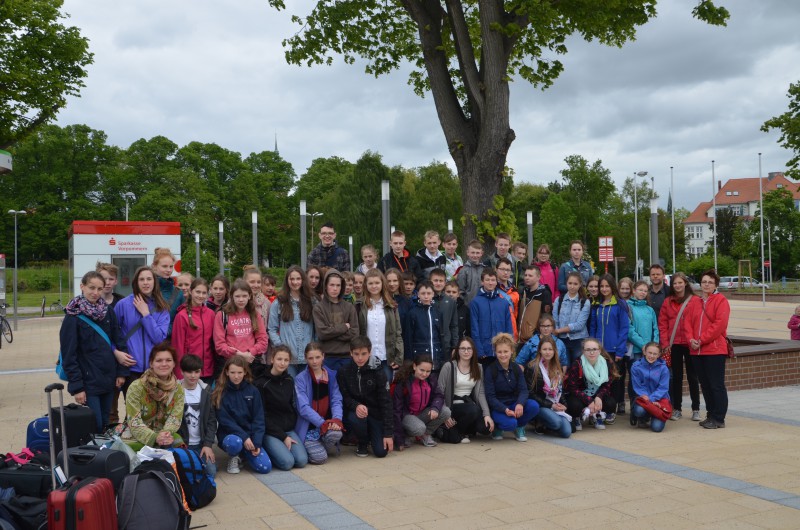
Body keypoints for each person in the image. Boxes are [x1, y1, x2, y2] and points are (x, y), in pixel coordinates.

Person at [60, 271, 128, 431]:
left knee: (106, 422)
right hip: (88, 382)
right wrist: (77, 387)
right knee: (94, 424)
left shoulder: (107, 311)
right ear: (82, 286)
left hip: (108, 379)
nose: (95, 293)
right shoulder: (73, 316)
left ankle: (105, 454)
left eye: (99, 289)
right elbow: (69, 355)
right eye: (91, 288)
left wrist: (121, 372)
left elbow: (118, 341)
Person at [682, 269, 731, 429]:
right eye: (704, 282)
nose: (707, 285)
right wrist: (691, 339)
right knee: (705, 384)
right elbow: (687, 322)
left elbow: (719, 325)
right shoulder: (694, 302)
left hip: (714, 350)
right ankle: (711, 414)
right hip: (696, 350)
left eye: (710, 282)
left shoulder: (721, 301)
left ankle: (719, 418)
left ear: (715, 284)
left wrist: (701, 340)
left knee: (716, 384)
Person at [212, 356, 272, 474]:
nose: (236, 376)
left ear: (245, 372)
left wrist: (257, 442)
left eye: (239, 372)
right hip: (230, 435)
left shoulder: (253, 391)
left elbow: (258, 418)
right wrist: (244, 437)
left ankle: (244, 454)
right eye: (233, 372)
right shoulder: (220, 392)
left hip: (250, 436)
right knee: (235, 443)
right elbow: (225, 421)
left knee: (265, 467)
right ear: (227, 372)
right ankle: (234, 456)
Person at [115, 266, 171, 391]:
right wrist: (115, 352)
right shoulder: (123, 304)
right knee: (134, 410)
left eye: (149, 279)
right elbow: (112, 333)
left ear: (154, 282)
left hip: (154, 369)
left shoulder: (162, 307)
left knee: (155, 409)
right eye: (142, 279)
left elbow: (158, 339)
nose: (146, 282)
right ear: (136, 282)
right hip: (131, 369)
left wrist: (146, 314)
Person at [337, 337, 394, 458]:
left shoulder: (378, 371)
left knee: (381, 452)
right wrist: (356, 405)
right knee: (355, 418)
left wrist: (388, 434)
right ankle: (362, 442)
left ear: (370, 352)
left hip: (375, 414)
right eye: (356, 354)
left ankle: (373, 437)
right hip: (356, 413)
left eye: (364, 354)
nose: (360, 358)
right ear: (351, 353)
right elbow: (345, 396)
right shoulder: (343, 371)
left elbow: (386, 402)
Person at [254, 345, 308, 471]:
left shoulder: (289, 380)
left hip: (288, 429)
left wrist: (288, 434)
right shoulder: (261, 383)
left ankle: (281, 447)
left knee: (301, 461)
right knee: (287, 463)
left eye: (286, 360)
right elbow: (261, 415)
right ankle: (269, 448)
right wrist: (282, 437)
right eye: (279, 359)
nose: (282, 363)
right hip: (270, 431)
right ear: (272, 359)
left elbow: (292, 405)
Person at [125, 343, 184, 449]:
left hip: (165, 434)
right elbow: (134, 420)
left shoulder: (178, 389)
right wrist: (154, 437)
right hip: (137, 435)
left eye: (168, 360)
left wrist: (164, 435)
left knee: (179, 446)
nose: (164, 364)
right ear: (151, 363)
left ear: (174, 363)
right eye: (159, 360)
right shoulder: (136, 387)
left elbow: (175, 418)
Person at [659, 272, 700, 421]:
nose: (677, 286)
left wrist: (696, 340)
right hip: (674, 344)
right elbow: (662, 324)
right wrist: (665, 343)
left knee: (692, 377)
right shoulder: (668, 301)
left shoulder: (695, 300)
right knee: (676, 377)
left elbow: (698, 321)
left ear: (685, 283)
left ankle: (696, 408)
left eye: (680, 283)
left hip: (690, 344)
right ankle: (677, 408)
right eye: (674, 283)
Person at [294, 343, 344, 465]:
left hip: (325, 423)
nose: (314, 361)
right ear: (306, 358)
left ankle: (321, 444)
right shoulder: (300, 378)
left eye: (317, 357)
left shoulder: (331, 375)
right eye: (310, 358)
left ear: (323, 356)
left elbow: (336, 400)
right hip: (309, 427)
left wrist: (336, 419)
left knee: (337, 433)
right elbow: (303, 408)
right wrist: (322, 423)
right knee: (320, 459)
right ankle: (314, 447)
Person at [436, 337, 493, 444]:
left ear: (473, 351)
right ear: (458, 350)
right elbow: (439, 392)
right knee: (473, 410)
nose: (466, 351)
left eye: (469, 348)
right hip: (452, 407)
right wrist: (445, 415)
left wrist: (487, 415)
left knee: (486, 428)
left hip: (469, 405)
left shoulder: (478, 367)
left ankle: (459, 430)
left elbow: (480, 393)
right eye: (463, 348)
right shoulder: (449, 366)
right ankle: (459, 432)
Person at [484, 333, 539, 441]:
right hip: (499, 408)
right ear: (495, 352)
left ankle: (520, 427)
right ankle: (498, 427)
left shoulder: (516, 368)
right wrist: (504, 410)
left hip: (514, 403)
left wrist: (520, 404)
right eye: (499, 352)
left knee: (534, 406)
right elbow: (490, 397)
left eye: (506, 351)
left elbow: (523, 390)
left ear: (512, 351)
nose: (503, 355)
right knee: (510, 424)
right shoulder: (491, 370)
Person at [589, 274, 630, 420]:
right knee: (601, 380)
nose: (604, 289)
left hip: (614, 350)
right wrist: (593, 347)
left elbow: (624, 329)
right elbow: (593, 328)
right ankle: (602, 408)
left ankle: (612, 409)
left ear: (612, 287)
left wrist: (620, 350)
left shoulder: (620, 304)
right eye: (602, 286)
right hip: (600, 351)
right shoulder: (596, 305)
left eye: (607, 286)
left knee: (615, 381)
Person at [393, 354, 451, 449]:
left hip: (422, 414)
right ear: (415, 366)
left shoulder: (431, 379)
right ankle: (406, 435)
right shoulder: (404, 381)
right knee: (419, 428)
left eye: (428, 371)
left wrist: (435, 408)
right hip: (406, 416)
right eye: (422, 370)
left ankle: (425, 435)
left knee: (446, 411)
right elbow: (397, 409)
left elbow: (439, 396)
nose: (424, 374)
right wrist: (399, 439)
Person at [268, 266, 315, 376]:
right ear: (287, 281)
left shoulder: (312, 301)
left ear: (303, 280)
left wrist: (314, 347)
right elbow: (272, 329)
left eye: (298, 279)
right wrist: (281, 348)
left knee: (305, 390)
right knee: (290, 388)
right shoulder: (279, 302)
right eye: (291, 279)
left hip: (307, 356)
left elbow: (317, 329)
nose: (295, 282)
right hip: (288, 358)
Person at [358, 268, 403, 382]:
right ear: (366, 285)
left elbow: (398, 332)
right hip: (366, 357)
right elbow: (358, 332)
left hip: (386, 357)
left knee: (385, 392)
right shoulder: (359, 305)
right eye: (371, 283)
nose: (374, 286)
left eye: (377, 283)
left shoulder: (391, 305)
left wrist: (398, 357)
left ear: (382, 284)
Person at [564, 338, 619, 431]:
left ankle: (597, 415)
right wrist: (588, 400)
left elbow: (606, 385)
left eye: (594, 349)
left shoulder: (606, 363)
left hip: (596, 394)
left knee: (611, 404)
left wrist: (599, 397)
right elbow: (573, 388)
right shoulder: (577, 364)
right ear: (583, 351)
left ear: (599, 350)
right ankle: (577, 417)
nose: (591, 352)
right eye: (588, 350)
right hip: (580, 396)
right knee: (574, 405)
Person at [178, 354, 217, 477]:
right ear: (181, 372)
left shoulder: (206, 391)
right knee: (185, 473)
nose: (193, 375)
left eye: (197, 371)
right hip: (182, 444)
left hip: (201, 444)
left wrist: (208, 445)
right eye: (189, 372)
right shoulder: (175, 391)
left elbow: (212, 421)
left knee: (211, 472)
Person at [213, 278, 269, 365]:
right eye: (237, 296)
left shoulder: (254, 314)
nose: (241, 300)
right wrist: (239, 354)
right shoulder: (222, 315)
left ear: (249, 296)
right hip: (230, 363)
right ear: (232, 296)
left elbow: (263, 340)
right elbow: (219, 344)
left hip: (251, 361)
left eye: (244, 296)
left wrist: (251, 352)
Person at [313, 269, 359, 371]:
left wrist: (331, 333)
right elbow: (322, 333)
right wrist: (344, 327)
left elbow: (354, 333)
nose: (335, 289)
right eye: (332, 285)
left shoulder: (349, 307)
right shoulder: (319, 308)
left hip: (347, 357)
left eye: (338, 285)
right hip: (327, 358)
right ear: (325, 286)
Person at [525, 337, 571, 438]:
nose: (547, 352)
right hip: (540, 404)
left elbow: (560, 390)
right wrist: (551, 405)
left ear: (554, 351)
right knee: (557, 423)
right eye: (544, 349)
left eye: (550, 349)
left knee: (566, 432)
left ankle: (547, 424)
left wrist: (564, 405)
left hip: (554, 402)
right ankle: (538, 420)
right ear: (540, 351)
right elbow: (530, 394)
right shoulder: (532, 367)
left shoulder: (557, 366)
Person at [172, 278, 216, 383]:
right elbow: (178, 347)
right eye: (198, 292)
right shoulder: (181, 316)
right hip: (189, 371)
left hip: (208, 370)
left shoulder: (211, 314)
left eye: (204, 293)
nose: (201, 296)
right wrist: (179, 374)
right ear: (191, 291)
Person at [470, 269, 513, 365]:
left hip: (501, 351)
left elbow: (509, 327)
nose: (490, 283)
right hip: (484, 352)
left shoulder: (503, 303)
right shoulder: (475, 302)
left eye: (493, 280)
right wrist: (479, 350)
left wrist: (509, 348)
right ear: (482, 282)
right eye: (487, 280)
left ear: (496, 281)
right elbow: (474, 329)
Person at [629, 342, 671, 432]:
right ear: (644, 352)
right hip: (644, 398)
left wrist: (653, 399)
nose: (651, 356)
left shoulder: (663, 368)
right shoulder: (636, 366)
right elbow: (638, 386)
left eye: (655, 354)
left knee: (656, 428)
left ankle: (653, 415)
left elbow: (663, 388)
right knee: (639, 411)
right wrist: (648, 399)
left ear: (659, 354)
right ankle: (644, 416)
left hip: (659, 399)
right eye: (649, 353)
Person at [404, 280, 446, 368]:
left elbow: (441, 335)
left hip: (436, 354)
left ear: (433, 294)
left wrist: (442, 355)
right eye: (423, 293)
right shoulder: (413, 313)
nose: (426, 296)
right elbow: (408, 337)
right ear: (418, 294)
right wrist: (409, 359)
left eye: (429, 293)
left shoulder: (437, 312)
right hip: (419, 355)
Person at [552, 272, 590, 363]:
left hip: (579, 340)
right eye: (570, 283)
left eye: (575, 284)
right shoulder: (559, 300)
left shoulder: (584, 302)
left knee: (578, 368)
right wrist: (556, 331)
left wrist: (559, 330)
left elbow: (580, 325)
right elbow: (555, 320)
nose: (572, 286)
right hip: (562, 339)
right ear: (566, 284)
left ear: (580, 285)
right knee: (564, 367)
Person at [518, 265, 553, 342]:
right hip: (521, 338)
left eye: (530, 275)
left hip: (535, 339)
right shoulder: (523, 292)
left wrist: (537, 335)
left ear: (538, 277)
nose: (527, 277)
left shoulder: (544, 293)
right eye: (526, 275)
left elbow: (546, 317)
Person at [429, 269, 459, 360]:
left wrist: (455, 346)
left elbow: (454, 326)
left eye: (441, 281)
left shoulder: (450, 302)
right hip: (429, 344)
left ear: (445, 282)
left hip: (446, 345)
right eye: (435, 280)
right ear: (430, 281)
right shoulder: (425, 299)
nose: (438, 283)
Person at [495, 258, 520, 340]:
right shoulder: (491, 289)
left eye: (508, 270)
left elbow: (516, 314)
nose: (505, 272)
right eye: (502, 269)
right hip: (496, 330)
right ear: (496, 269)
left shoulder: (515, 291)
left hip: (511, 331)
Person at [457, 240, 485, 304]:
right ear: (468, 253)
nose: (475, 255)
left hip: (483, 305)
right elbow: (460, 291)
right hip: (468, 306)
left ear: (481, 253)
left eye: (477, 253)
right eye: (472, 252)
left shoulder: (484, 270)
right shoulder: (463, 271)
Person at [244, 265, 270, 332]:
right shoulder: (236, 301)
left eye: (258, 282)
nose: (256, 285)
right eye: (252, 282)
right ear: (244, 282)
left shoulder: (266, 303)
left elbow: (270, 327)